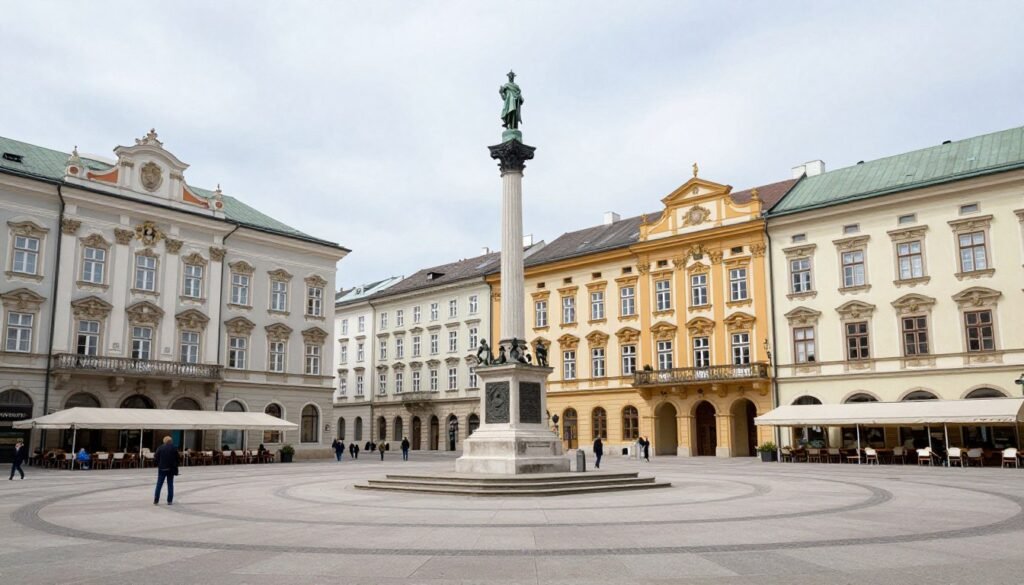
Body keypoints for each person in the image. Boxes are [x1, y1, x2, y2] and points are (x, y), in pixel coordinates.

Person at [153, 436, 179, 505]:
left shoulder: (160, 448)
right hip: (171, 469)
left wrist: (158, 464)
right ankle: (169, 500)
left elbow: (156, 457)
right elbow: (177, 459)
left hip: (162, 468)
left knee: (159, 484)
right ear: (171, 441)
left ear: (164, 441)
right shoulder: (174, 448)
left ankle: (156, 499)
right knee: (170, 484)